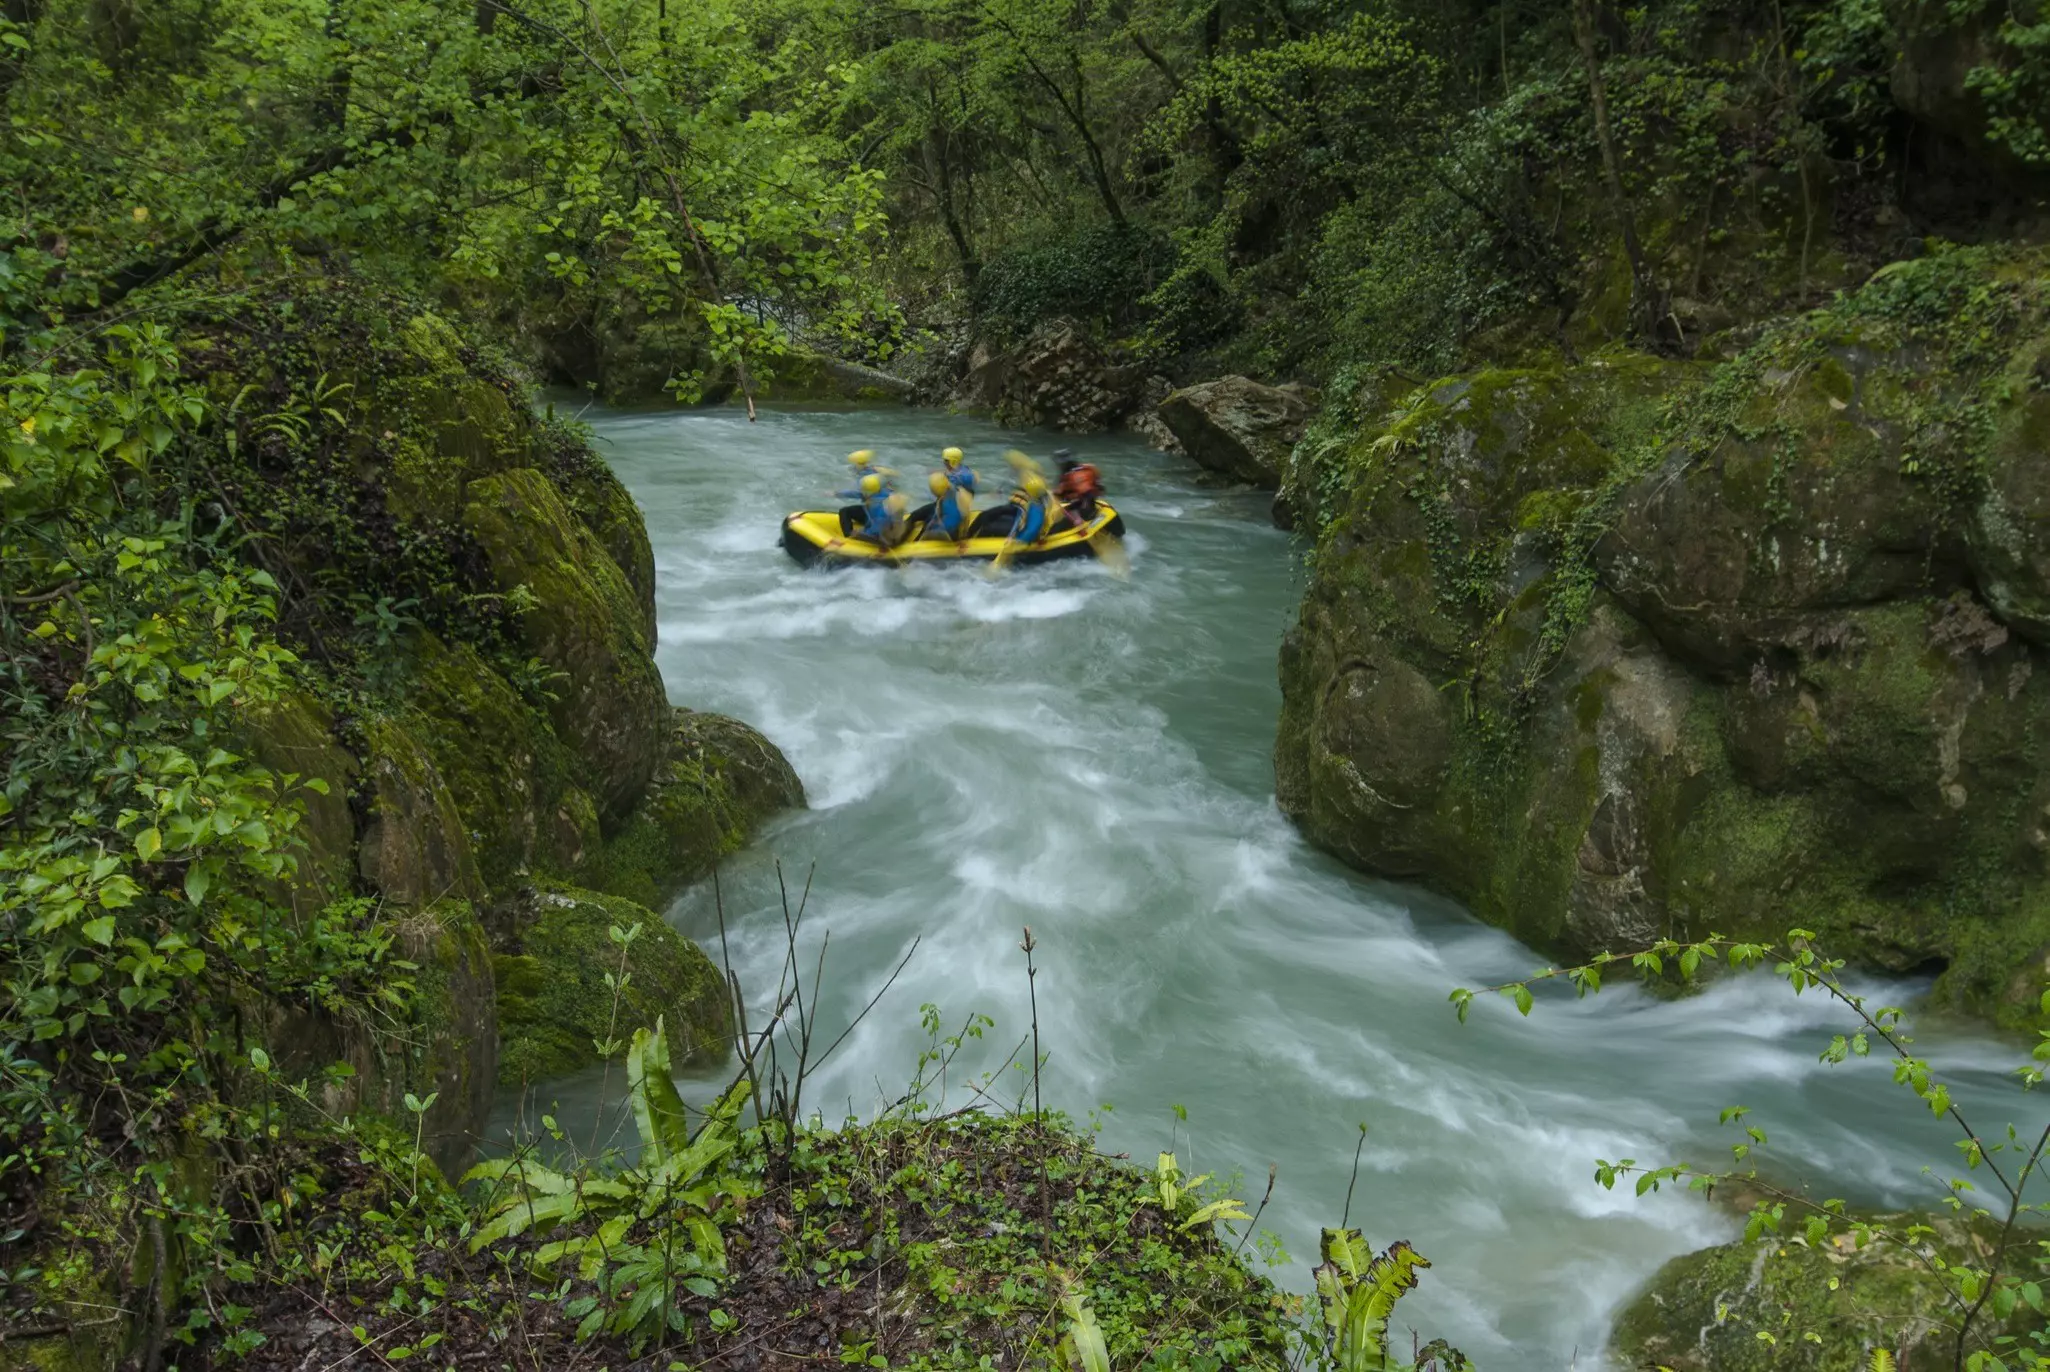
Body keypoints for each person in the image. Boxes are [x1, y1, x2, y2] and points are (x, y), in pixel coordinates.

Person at [915, 470, 970, 541]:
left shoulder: (952, 500)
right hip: (950, 528)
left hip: (949, 535)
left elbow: (961, 519)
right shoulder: (952, 490)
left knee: (927, 524)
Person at [1053, 449, 1103, 521]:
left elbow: (1062, 494)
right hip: (1089, 502)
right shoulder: (1088, 468)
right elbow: (1099, 485)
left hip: (1083, 509)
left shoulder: (1067, 478)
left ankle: (1078, 520)